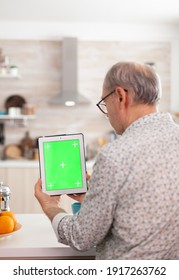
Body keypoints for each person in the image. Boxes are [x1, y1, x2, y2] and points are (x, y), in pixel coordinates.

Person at [35, 61, 179, 259]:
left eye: (105, 102)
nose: (107, 113)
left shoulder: (116, 156)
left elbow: (81, 238)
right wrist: (97, 196)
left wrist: (51, 206)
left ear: (120, 96)